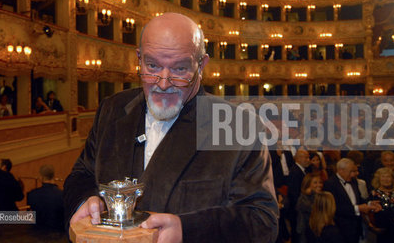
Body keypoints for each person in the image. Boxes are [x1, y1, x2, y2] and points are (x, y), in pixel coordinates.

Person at [63, 13, 278, 242]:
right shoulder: (112, 109)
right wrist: (85, 200)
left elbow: (262, 220)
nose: (163, 83)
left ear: (201, 65)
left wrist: (186, 230)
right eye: (152, 66)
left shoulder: (238, 126)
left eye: (179, 69)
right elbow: (81, 175)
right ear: (139, 59)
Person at [323, 158, 381, 243]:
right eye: (351, 171)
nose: (355, 174)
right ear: (340, 171)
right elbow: (334, 208)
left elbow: (358, 199)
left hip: (355, 227)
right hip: (340, 228)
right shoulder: (330, 184)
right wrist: (358, 208)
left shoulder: (353, 181)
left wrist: (369, 204)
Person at [369, 167, 394, 243]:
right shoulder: (374, 194)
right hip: (382, 230)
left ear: (392, 179)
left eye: (388, 177)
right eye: (383, 177)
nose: (386, 179)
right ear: (378, 179)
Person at [27, 165, 64, 230]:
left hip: (37, 233)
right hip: (58, 233)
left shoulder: (32, 194)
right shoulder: (62, 195)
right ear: (53, 176)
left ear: (41, 177)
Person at [287, 149, 310, 243]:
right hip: (297, 210)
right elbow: (294, 193)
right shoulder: (295, 172)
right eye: (306, 157)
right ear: (299, 158)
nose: (309, 160)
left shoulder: (303, 170)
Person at [296, 173, 323, 243]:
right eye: (315, 183)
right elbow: (315, 210)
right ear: (308, 185)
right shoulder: (303, 199)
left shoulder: (321, 196)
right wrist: (313, 193)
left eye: (320, 182)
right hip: (307, 234)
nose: (319, 185)